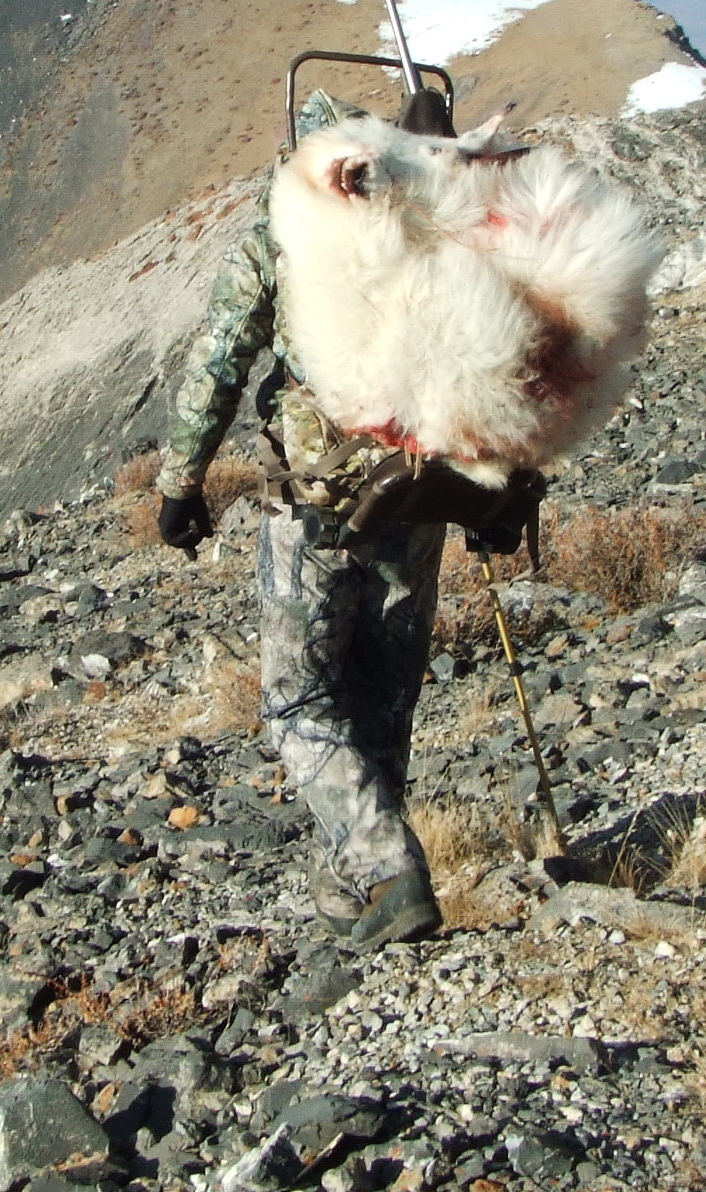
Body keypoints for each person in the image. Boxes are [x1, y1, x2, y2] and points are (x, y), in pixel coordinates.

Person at [153, 88, 504, 951]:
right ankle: (353, 891)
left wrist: (180, 484)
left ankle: (387, 869)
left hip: (313, 504)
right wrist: (498, 493)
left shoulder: (280, 236)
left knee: (299, 699)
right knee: (383, 694)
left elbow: (220, 361)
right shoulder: (433, 232)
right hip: (415, 496)